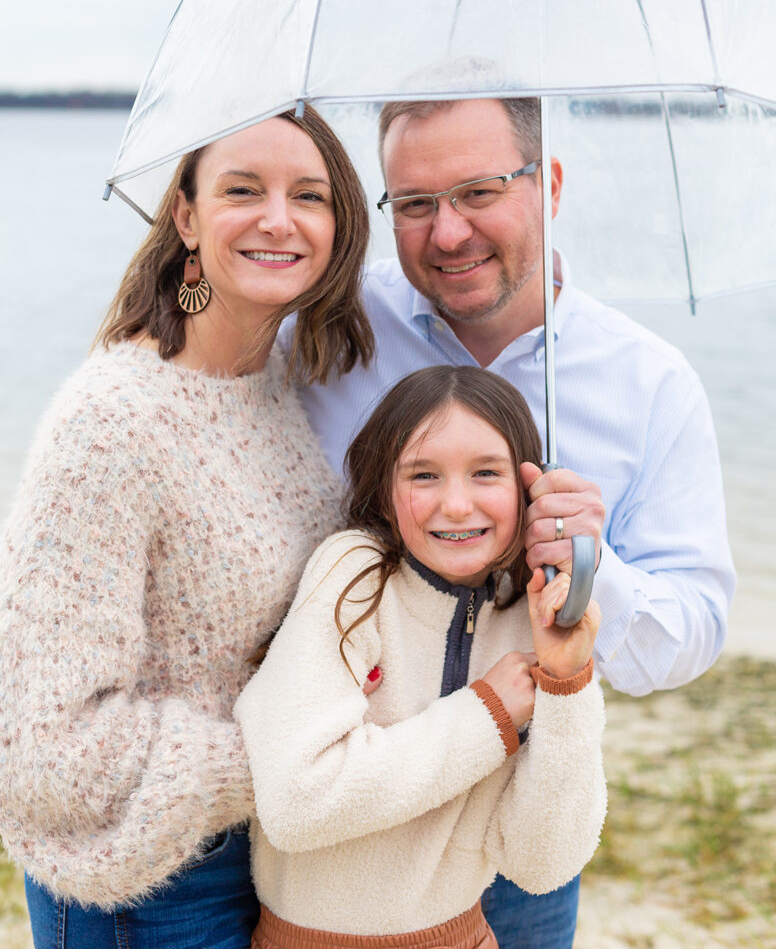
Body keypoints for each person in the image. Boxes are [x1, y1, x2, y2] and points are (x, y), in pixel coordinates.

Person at [289, 96, 735, 949]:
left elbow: (693, 633)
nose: (447, 233)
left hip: (520, 832)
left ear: (551, 183)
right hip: (338, 822)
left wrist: (594, 571)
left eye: (480, 191)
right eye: (415, 205)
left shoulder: (650, 383)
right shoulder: (331, 332)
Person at [0, 106, 373, 949]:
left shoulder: (276, 391)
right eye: (243, 189)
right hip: (148, 888)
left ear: (339, 228)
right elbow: (41, 747)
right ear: (186, 217)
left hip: (261, 859)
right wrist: (284, 760)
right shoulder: (113, 421)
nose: (279, 217)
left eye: (310, 195)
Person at [237, 365, 606, 949]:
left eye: (486, 473)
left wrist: (566, 682)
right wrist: (487, 714)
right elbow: (297, 801)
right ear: (385, 488)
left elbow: (542, 864)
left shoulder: (527, 614)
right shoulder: (352, 577)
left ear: (531, 490)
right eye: (424, 475)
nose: (457, 505)